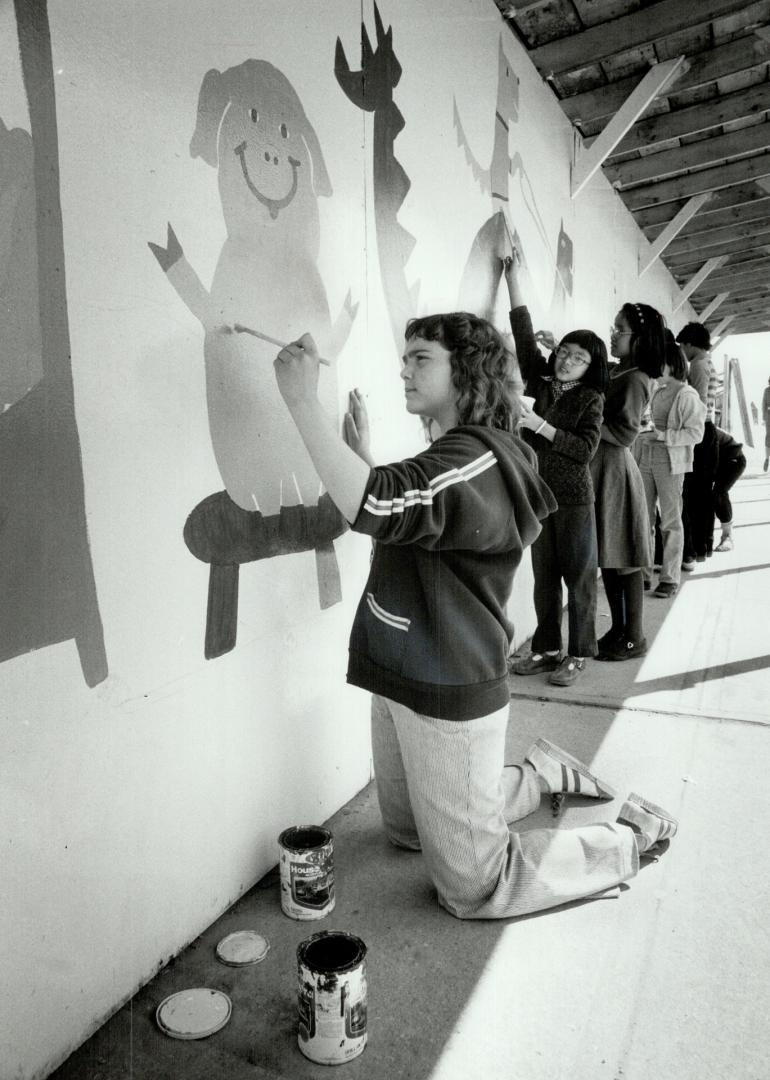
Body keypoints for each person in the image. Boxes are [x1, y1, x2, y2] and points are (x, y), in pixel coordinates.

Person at [272, 314, 677, 919]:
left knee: (475, 887)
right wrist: (363, 463)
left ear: (466, 372)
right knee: (406, 836)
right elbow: (402, 503)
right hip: (398, 673)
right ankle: (539, 776)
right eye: (405, 357)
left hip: (447, 686)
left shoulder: (480, 460)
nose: (404, 369)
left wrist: (300, 399)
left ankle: (626, 838)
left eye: (420, 358)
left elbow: (383, 502)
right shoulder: (449, 456)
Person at [503, 251, 607, 686]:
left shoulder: (591, 399)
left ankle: (578, 655)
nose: (566, 361)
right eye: (564, 352)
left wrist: (541, 426)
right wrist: (513, 279)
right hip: (537, 497)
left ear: (590, 367)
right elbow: (523, 335)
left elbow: (584, 450)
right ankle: (547, 650)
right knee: (544, 579)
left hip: (575, 499)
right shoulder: (538, 383)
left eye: (577, 358)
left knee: (579, 579)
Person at [593, 303, 664, 660]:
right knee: (610, 554)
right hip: (602, 469)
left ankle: (634, 636)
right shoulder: (621, 370)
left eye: (619, 329)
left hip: (614, 470)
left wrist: (581, 429)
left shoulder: (635, 378)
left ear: (639, 338)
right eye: (614, 327)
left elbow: (623, 432)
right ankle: (618, 629)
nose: (613, 334)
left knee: (625, 559)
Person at [636, 332, 705, 598]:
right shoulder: (658, 390)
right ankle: (642, 575)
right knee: (643, 518)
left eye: (658, 364)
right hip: (645, 456)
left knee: (670, 521)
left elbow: (696, 434)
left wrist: (663, 436)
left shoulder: (687, 395)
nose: (654, 370)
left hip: (670, 461)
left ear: (673, 364)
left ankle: (670, 578)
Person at [675, 322, 719, 565]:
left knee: (693, 493)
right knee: (702, 493)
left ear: (690, 344)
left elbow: (698, 403)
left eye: (682, 345)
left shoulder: (699, 365)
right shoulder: (708, 362)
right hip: (708, 430)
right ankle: (704, 547)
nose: (681, 350)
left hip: (700, 432)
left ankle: (695, 548)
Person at [711, 427, 746, 551]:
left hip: (734, 459)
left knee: (719, 493)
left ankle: (727, 536)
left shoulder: (703, 428)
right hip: (720, 459)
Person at [762, 377, 770, 472]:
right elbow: (763, 404)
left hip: (768, 417)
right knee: (768, 438)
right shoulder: (767, 391)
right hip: (769, 418)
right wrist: (764, 418)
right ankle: (767, 459)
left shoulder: (767, 391)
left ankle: (767, 459)